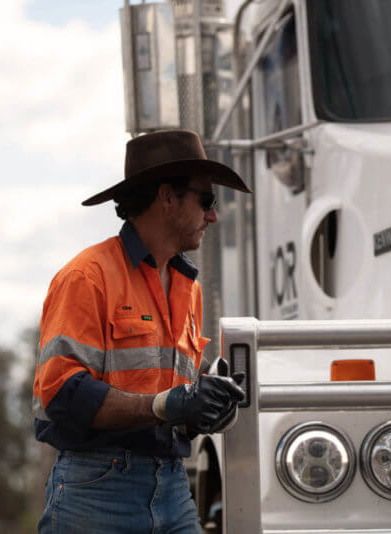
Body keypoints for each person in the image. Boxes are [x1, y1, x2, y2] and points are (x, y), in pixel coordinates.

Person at [32, 129, 252, 534]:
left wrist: (206, 403)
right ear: (167, 198)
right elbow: (62, 394)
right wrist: (168, 405)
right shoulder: (87, 277)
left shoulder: (190, 288)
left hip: (171, 484)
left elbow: (173, 395)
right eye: (207, 200)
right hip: (96, 490)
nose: (213, 215)